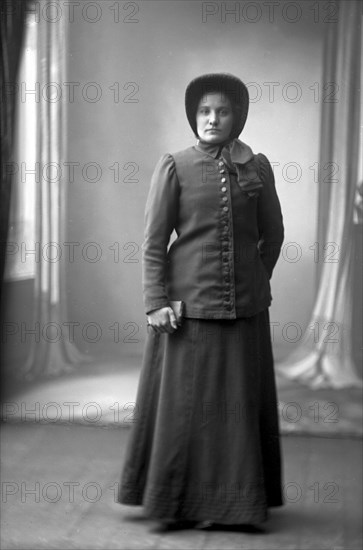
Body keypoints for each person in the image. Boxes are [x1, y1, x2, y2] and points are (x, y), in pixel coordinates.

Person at [117, 73, 284, 530]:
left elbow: (274, 235)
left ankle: (235, 507)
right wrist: (156, 302)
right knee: (185, 410)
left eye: (222, 111)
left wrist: (251, 279)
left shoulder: (259, 166)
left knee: (237, 411)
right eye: (204, 111)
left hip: (246, 311)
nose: (212, 119)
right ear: (194, 116)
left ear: (237, 117)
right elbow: (153, 243)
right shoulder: (174, 165)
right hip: (186, 310)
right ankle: (175, 503)